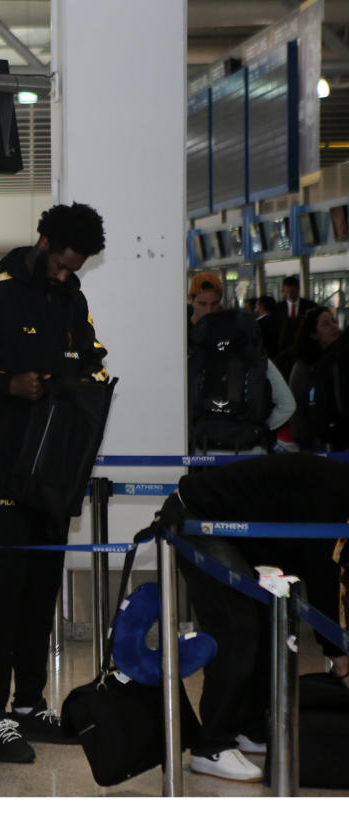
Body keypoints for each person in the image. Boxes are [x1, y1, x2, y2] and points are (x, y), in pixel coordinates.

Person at [0, 202, 107, 763]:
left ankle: (32, 703)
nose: (66, 274)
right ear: (43, 242)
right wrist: (7, 384)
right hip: (7, 461)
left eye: (75, 267)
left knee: (42, 585)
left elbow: (93, 357)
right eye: (61, 263)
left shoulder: (73, 298)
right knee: (5, 586)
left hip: (55, 466)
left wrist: (86, 376)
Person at [140, 453, 349, 781]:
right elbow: (323, 574)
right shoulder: (335, 495)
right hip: (198, 519)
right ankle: (211, 745)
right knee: (236, 628)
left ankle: (249, 728)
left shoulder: (337, 494)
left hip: (240, 536)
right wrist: (339, 653)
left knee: (269, 625)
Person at [187, 272, 294, 454]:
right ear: (191, 300)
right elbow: (287, 404)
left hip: (202, 448)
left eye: (214, 304)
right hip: (246, 447)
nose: (209, 311)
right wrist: (257, 428)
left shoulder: (187, 351)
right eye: (203, 304)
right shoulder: (250, 353)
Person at [285, 306, 339, 451]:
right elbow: (296, 405)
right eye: (326, 324)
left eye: (334, 321)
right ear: (314, 334)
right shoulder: (304, 366)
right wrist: (303, 439)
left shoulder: (341, 359)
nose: (334, 327)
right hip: (315, 440)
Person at [271, 275, 318, 359]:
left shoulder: (310, 306)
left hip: (304, 348)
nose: (289, 294)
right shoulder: (277, 308)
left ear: (298, 290)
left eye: (292, 291)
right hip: (283, 349)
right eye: (286, 291)